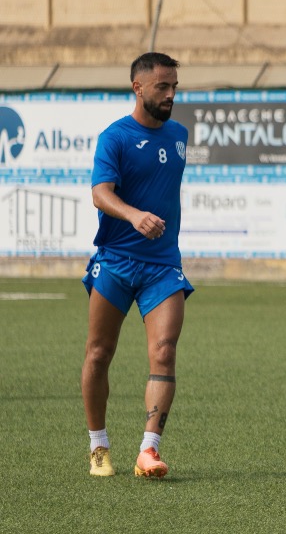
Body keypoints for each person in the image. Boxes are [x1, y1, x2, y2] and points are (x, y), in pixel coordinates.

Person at [81, 52, 193, 479]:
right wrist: (133, 215)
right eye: (162, 86)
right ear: (138, 87)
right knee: (99, 353)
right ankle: (98, 446)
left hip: (163, 265)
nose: (170, 94)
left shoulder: (179, 134)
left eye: (174, 87)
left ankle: (149, 450)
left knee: (164, 352)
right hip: (116, 261)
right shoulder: (115, 137)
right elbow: (100, 193)